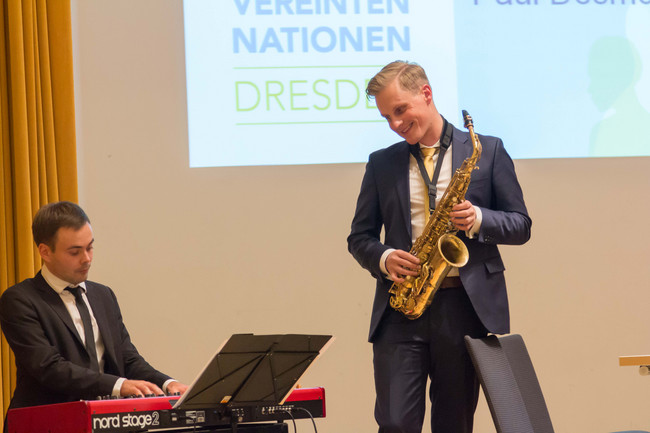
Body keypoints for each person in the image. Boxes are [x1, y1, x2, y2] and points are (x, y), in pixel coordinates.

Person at [347, 61, 532, 433]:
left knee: (454, 424)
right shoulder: (381, 163)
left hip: (463, 308)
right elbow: (359, 237)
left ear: (426, 94)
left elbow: (520, 224)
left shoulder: (488, 151)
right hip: (401, 309)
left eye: (401, 110)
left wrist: (479, 218)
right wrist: (384, 258)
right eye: (387, 117)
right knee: (395, 423)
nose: (395, 123)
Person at [0, 201, 188, 411]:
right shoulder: (20, 300)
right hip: (46, 419)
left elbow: (127, 358)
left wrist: (167, 383)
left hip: (101, 418)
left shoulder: (103, 295)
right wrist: (119, 386)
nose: (87, 259)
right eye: (75, 252)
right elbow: (49, 367)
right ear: (45, 252)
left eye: (90, 247)